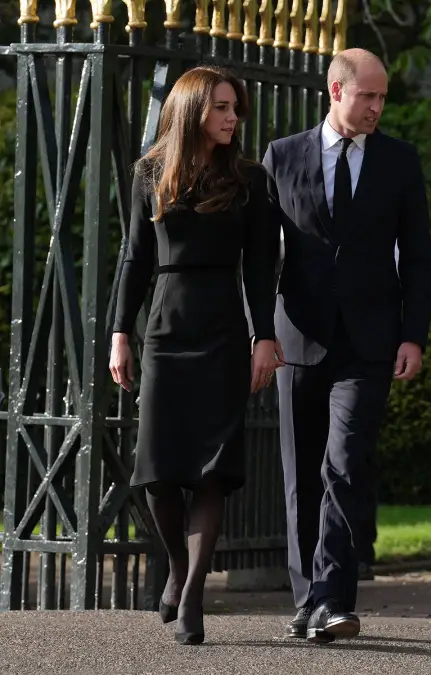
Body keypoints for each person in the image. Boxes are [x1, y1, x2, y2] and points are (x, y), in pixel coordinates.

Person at [262, 48, 431, 644]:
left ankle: (334, 598)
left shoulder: (400, 161)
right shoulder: (282, 156)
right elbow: (262, 256)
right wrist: (261, 333)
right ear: (336, 92)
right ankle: (308, 599)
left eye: (383, 98)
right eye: (369, 97)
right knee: (300, 472)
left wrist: (414, 334)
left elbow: (416, 257)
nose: (378, 108)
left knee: (344, 461)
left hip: (369, 341)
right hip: (296, 337)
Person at [109, 66, 282, 646]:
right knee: (157, 470)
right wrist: (119, 333)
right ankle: (178, 568)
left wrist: (264, 337)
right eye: (222, 108)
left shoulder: (250, 180)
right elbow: (134, 259)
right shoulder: (150, 173)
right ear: (191, 111)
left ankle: (191, 597)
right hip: (164, 328)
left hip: (223, 332)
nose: (234, 117)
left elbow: (260, 267)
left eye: (236, 108)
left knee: (212, 470)